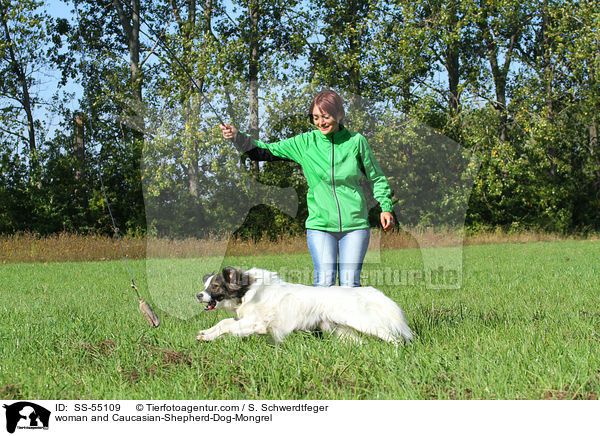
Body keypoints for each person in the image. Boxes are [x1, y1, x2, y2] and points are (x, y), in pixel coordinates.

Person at [219, 89, 394, 287]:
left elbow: (376, 177)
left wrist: (385, 206)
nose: (321, 123)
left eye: (326, 117)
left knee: (350, 286)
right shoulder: (305, 143)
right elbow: (265, 151)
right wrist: (237, 137)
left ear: (339, 114)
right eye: (316, 118)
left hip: (355, 225)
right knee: (323, 285)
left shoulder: (356, 142)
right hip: (320, 226)